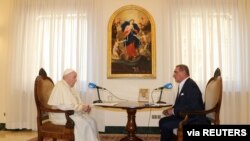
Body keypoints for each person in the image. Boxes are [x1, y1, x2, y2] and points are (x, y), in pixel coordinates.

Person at [159, 64, 210, 141]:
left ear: (183, 72)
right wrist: (171, 110)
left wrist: (173, 111)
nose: (173, 75)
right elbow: (182, 104)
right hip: (186, 115)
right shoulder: (185, 84)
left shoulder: (191, 86)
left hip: (194, 119)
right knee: (163, 121)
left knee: (165, 124)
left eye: (176, 72)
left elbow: (194, 107)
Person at [48, 69, 99, 141]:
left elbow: (76, 103)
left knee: (92, 121)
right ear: (67, 77)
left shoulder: (71, 88)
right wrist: (81, 107)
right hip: (61, 115)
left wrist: (85, 107)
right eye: (74, 77)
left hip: (70, 113)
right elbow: (64, 106)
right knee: (84, 124)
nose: (76, 80)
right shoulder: (60, 86)